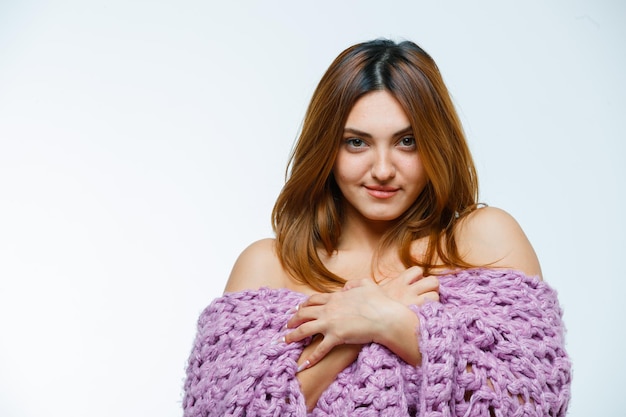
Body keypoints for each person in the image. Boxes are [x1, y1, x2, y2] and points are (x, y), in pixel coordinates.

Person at [183, 39, 571, 416]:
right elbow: (228, 410)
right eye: (356, 143)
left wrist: (390, 322)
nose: (383, 170)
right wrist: (352, 331)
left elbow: (531, 401)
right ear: (326, 150)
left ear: (436, 145)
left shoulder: (485, 240)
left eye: (407, 141)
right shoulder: (269, 267)